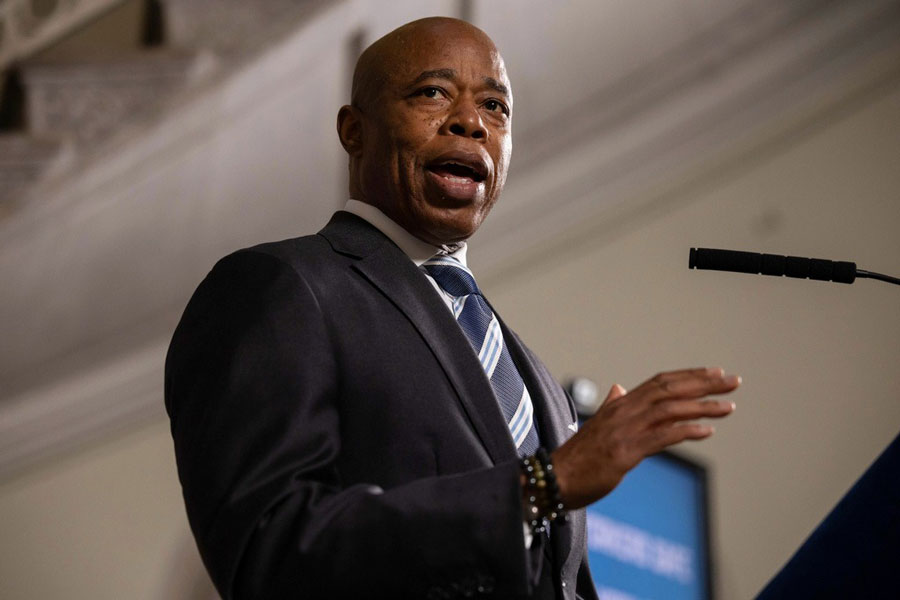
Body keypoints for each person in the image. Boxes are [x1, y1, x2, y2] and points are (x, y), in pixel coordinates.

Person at [165, 17, 739, 599]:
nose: (471, 122)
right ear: (354, 130)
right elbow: (273, 552)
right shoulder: (277, 289)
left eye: (496, 106)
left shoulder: (534, 378)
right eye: (433, 93)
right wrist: (544, 482)